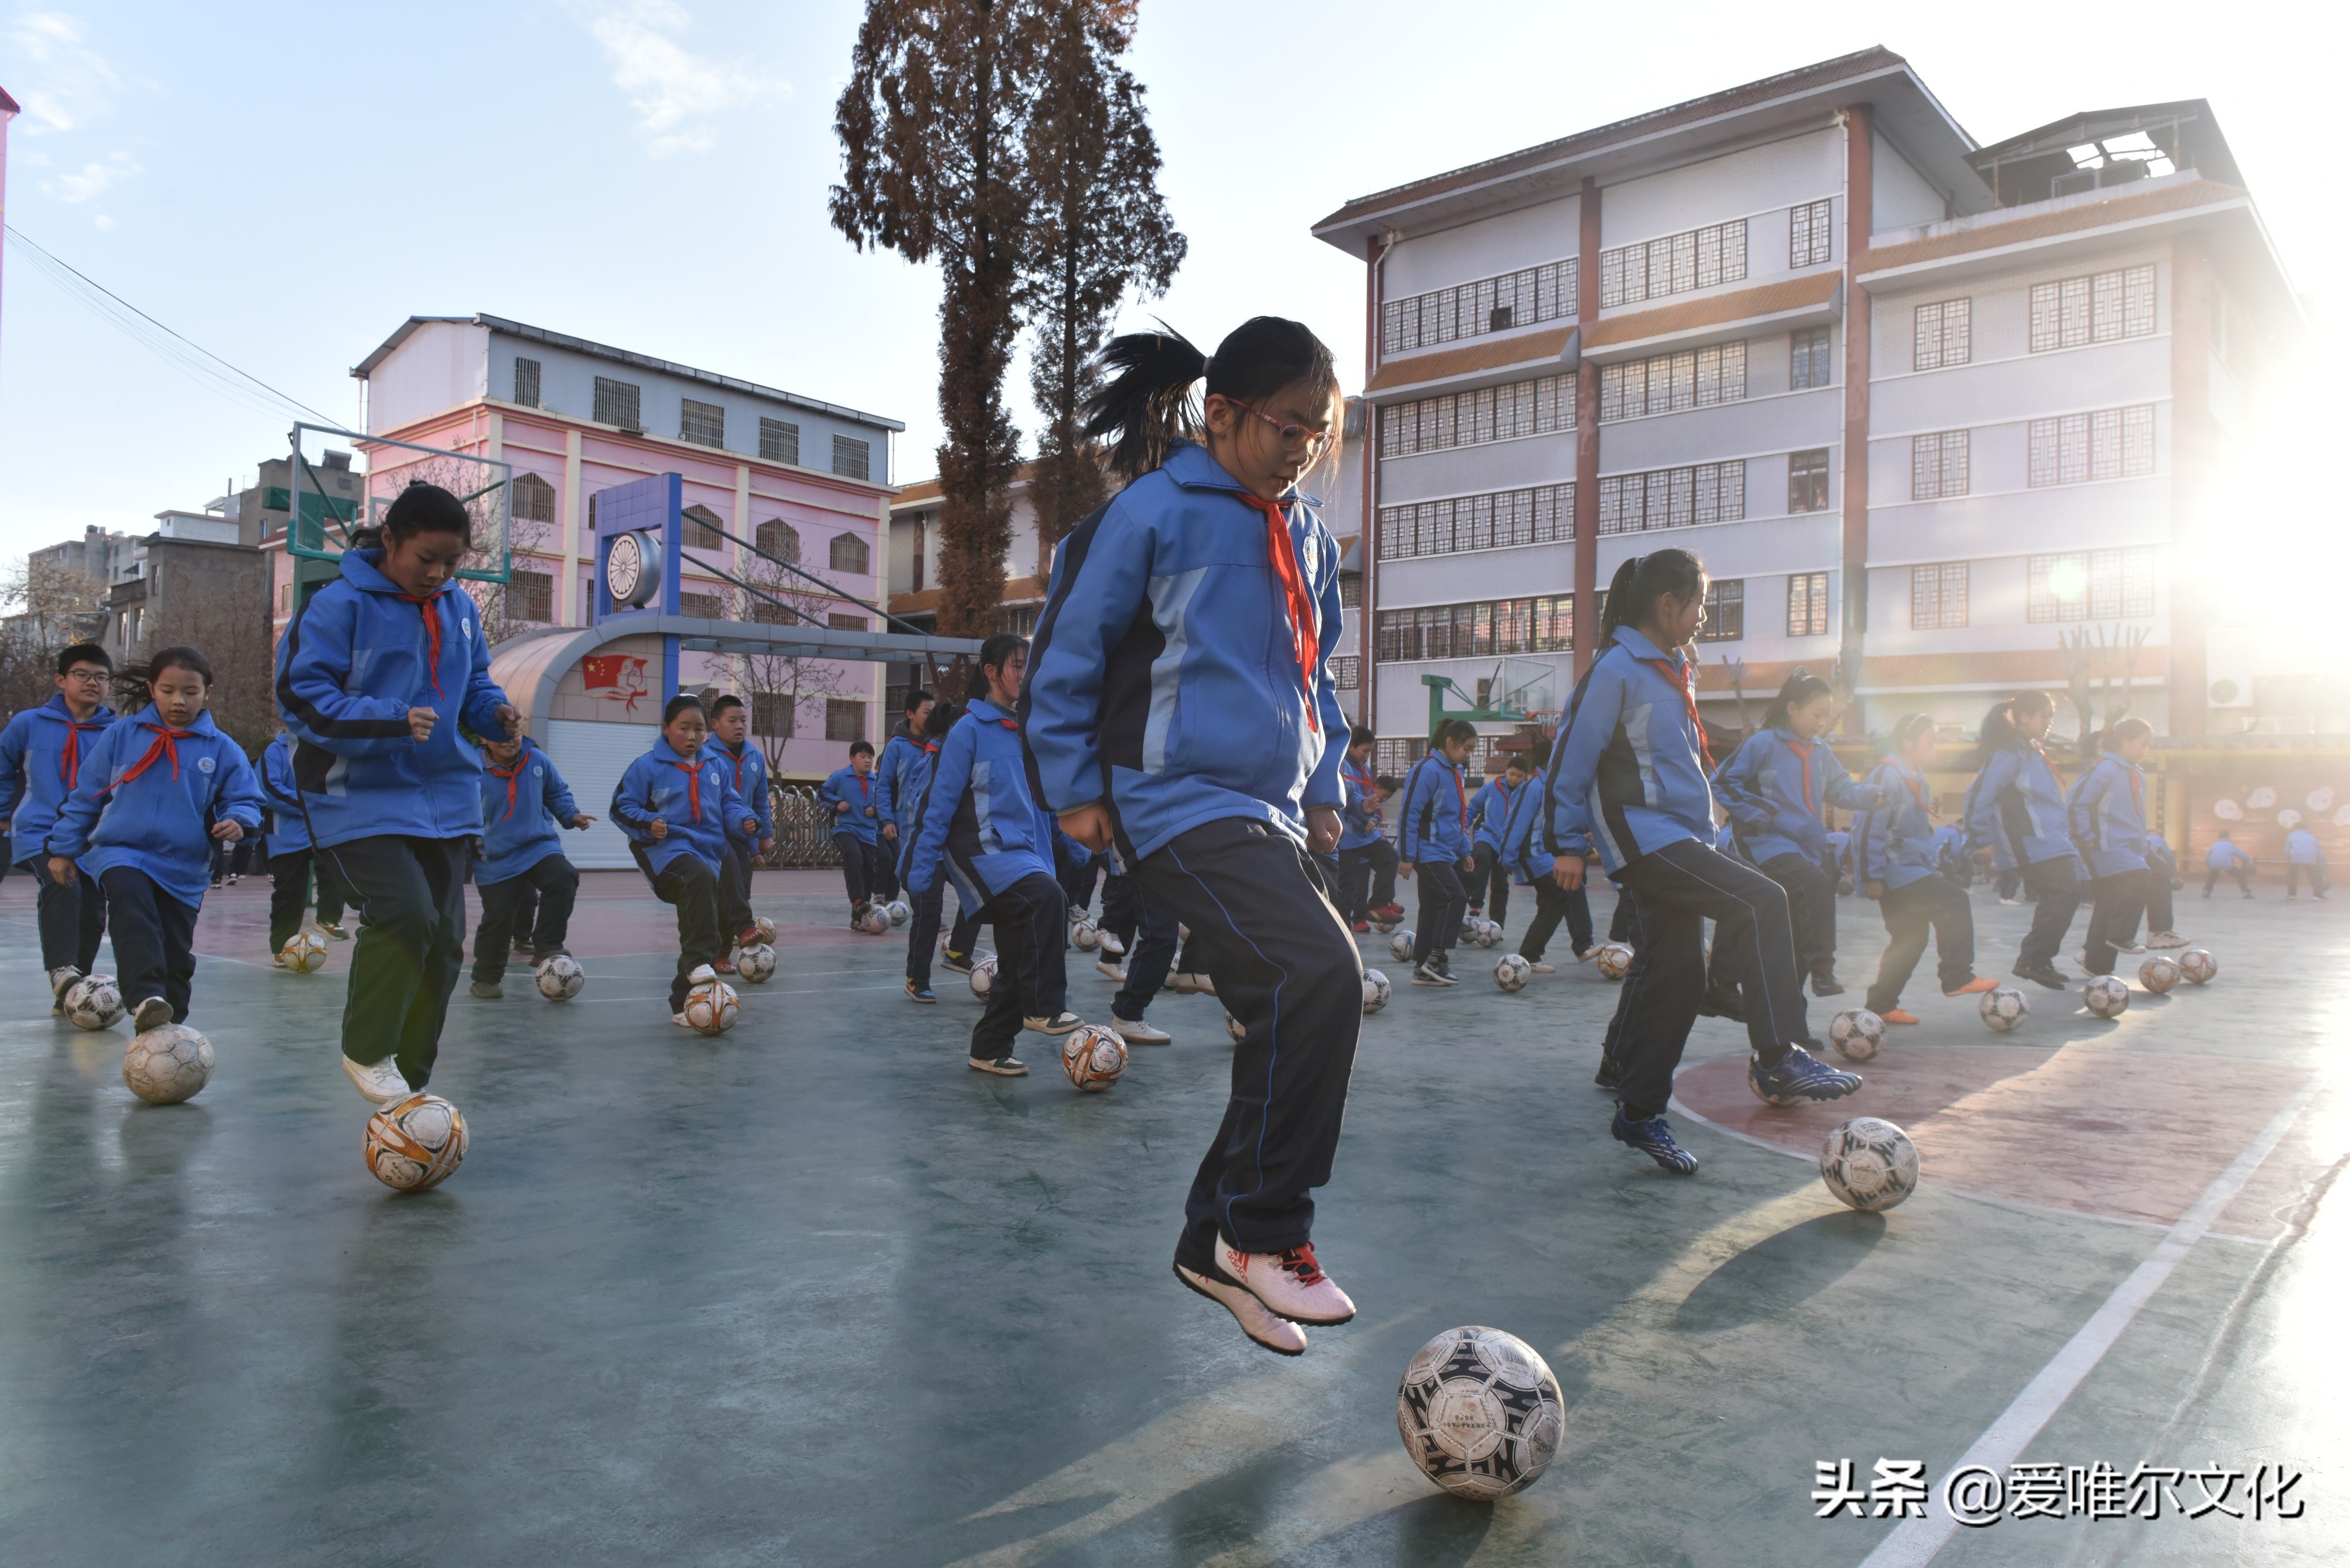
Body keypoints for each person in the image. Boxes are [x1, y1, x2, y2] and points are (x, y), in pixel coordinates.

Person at [1025, 317, 1361, 1359]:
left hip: (1262, 806)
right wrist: (1075, 785)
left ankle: (1212, 1237)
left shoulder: (1305, 533)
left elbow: (1316, 672)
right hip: (1170, 795)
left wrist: (1324, 781)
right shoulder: (1152, 512)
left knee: (1289, 1000)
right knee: (1317, 977)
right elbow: (1067, 648)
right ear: (1220, 414)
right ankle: (1264, 1230)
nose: (1303, 446)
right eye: (1286, 426)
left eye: (1319, 430)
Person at [1546, 549, 1860, 1176]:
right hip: (1646, 840)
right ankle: (1777, 1053)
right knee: (1763, 898)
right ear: (1668, 605)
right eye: (1701, 604)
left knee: (1676, 978)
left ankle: (1638, 1113)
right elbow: (1570, 758)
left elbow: (1681, 761)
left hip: (1683, 837)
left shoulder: (1671, 670)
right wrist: (1566, 843)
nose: (1703, 616)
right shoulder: (1616, 670)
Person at [276, 482, 521, 1104]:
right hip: (355, 793)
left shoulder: (460, 609)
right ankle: (366, 1049)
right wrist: (390, 721)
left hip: (445, 798)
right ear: (390, 540)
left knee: (444, 941)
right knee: (406, 914)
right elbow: (301, 697)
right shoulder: (336, 606)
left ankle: (409, 1087)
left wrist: (496, 716)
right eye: (426, 558)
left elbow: (475, 686)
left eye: (452, 562)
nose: (437, 573)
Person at [44, 646, 263, 1031]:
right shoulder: (121, 736)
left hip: (184, 866)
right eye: (168, 690)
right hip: (120, 852)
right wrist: (63, 850)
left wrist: (238, 821)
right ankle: (143, 994)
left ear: (207, 692)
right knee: (132, 910)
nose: (179, 701)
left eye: (190, 692)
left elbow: (245, 798)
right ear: (152, 689)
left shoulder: (221, 749)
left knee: (176, 954)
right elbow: (85, 795)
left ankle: (166, 1029)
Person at [905, 633, 1080, 1067]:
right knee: (1046, 900)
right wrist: (921, 866)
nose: (1026, 674)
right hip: (982, 854)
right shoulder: (967, 731)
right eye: (1017, 665)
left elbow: (1042, 802)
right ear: (990, 673)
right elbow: (939, 803)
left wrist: (1073, 846)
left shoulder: (1027, 733)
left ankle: (989, 1049)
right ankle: (1043, 1005)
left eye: (1029, 665)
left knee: (1021, 952)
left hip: (1025, 856)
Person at [1711, 672, 1883, 997]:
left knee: (1798, 931)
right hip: (1765, 844)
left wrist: (1868, 794)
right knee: (1815, 886)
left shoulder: (1820, 750)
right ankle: (1824, 969)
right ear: (1792, 708)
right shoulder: (1763, 744)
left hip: (1806, 850)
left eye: (1825, 716)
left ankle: (1794, 1021)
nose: (1821, 723)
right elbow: (1722, 783)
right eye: (1816, 714)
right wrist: (1765, 815)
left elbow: (1840, 788)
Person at [611, 695, 764, 1025]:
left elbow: (730, 805)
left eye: (699, 729)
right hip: (664, 851)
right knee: (698, 879)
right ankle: (698, 962)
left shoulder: (715, 766)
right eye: (684, 728)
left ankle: (683, 1004)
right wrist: (649, 824)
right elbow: (621, 808)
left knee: (708, 912)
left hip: (707, 850)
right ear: (666, 729)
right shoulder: (646, 766)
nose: (693, 736)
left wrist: (744, 820)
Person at [1852, 713, 1995, 1022]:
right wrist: (1871, 876)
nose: (1937, 747)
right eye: (1932, 741)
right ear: (1908, 742)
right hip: (1894, 873)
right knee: (1955, 901)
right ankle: (1957, 975)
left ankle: (1881, 1005)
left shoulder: (1918, 781)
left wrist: (1930, 868)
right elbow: (1866, 828)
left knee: (1910, 939)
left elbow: (1918, 835)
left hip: (1912, 871)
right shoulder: (1885, 776)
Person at [0, 642, 118, 1005]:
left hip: (93, 837)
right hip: (40, 830)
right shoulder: (28, 723)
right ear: (60, 680)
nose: (92, 683)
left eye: (101, 677)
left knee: (93, 913)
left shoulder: (118, 731)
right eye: (82, 675)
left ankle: (73, 995)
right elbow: (3, 769)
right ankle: (61, 970)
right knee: (62, 884)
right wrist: (4, 816)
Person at [1964, 691, 2081, 990]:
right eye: (2046, 716)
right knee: (2065, 891)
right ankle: (2034, 958)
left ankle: (2037, 959)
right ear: (2025, 717)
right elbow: (1979, 796)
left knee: (2066, 892)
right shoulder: (2008, 754)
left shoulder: (2031, 752)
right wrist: (1981, 839)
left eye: (2052, 717)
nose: (2049, 723)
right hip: (2030, 843)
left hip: (2050, 841)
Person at [468, 731, 594, 998]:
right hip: (495, 857)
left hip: (537, 846)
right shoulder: (470, 767)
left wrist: (571, 815)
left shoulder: (536, 759)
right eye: (498, 734)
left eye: (513, 733)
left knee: (563, 876)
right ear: (484, 736)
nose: (508, 740)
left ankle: (548, 945)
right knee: (499, 918)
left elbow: (556, 791)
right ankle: (486, 978)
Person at [895, 698, 983, 1000]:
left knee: (981, 895)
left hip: (951, 850)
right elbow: (920, 814)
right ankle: (917, 978)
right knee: (928, 913)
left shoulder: (960, 760)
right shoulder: (931, 761)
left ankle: (958, 951)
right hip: (925, 851)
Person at [2067, 718, 2157, 976]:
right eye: (2143, 744)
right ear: (2125, 742)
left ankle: (2097, 964)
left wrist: (2141, 844)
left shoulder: (2134, 772)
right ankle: (2123, 935)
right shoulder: (2104, 769)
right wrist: (2085, 836)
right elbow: (2076, 804)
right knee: (2141, 875)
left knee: (2110, 898)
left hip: (2126, 846)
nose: (2146, 750)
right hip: (2101, 845)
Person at [1398, 719, 1479, 986]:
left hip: (1445, 852)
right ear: (1450, 743)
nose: (1468, 754)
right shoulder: (1427, 770)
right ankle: (1437, 959)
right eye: (1466, 748)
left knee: (1432, 907)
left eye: (1471, 750)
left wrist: (1465, 850)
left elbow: (1456, 817)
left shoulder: (1456, 772)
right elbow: (1410, 812)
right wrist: (1407, 857)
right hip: (1427, 852)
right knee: (1455, 897)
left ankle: (1422, 969)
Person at [260, 725, 349, 958]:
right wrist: (311, 804)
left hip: (322, 830)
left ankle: (328, 918)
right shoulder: (274, 752)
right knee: (290, 893)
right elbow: (269, 790)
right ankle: (281, 948)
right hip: (286, 835)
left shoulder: (326, 750)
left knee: (336, 869)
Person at [1500, 756, 1590, 970]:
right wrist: (1508, 858)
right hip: (1533, 855)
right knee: (1571, 887)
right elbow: (1516, 823)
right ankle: (1584, 945)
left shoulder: (1552, 787)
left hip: (1546, 856)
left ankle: (1530, 955)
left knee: (1552, 905)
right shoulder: (1533, 788)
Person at [707, 694, 777, 926]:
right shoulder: (705, 755)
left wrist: (764, 835)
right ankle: (730, 928)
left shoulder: (755, 756)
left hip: (744, 831)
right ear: (715, 724)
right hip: (714, 832)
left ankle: (734, 926)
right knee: (725, 880)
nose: (739, 726)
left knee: (743, 880)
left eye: (743, 721)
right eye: (732, 721)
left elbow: (760, 800)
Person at [871, 686, 933, 906]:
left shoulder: (935, 745)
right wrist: (887, 820)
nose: (930, 717)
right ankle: (920, 911)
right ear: (910, 714)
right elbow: (884, 785)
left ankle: (925, 911)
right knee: (910, 866)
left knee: (932, 868)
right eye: (926, 712)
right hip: (904, 823)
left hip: (931, 821)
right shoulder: (896, 746)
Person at [1335, 732, 1401, 930]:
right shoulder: (1342, 767)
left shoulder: (1364, 769)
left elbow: (1358, 797)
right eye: (1365, 751)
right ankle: (1345, 931)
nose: (1366, 756)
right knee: (1347, 889)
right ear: (1351, 747)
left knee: (1390, 857)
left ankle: (1379, 904)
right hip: (1348, 837)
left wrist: (1369, 810)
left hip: (1366, 835)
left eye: (1369, 752)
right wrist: (1363, 819)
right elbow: (1343, 802)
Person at [820, 740, 886, 927]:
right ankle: (857, 900)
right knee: (853, 855)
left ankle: (858, 919)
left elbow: (884, 803)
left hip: (869, 833)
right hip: (845, 829)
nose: (867, 761)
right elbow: (822, 793)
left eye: (870, 757)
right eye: (863, 756)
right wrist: (837, 803)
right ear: (852, 758)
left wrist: (875, 809)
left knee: (868, 872)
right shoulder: (840, 777)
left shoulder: (877, 781)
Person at [1466, 756, 1525, 929]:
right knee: (1481, 857)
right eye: (1512, 774)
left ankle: (1497, 925)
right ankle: (1476, 901)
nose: (1514, 778)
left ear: (1525, 776)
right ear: (1506, 771)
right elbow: (1473, 807)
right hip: (1486, 834)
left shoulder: (1526, 793)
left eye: (1519, 776)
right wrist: (1463, 826)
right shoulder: (1492, 787)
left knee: (1501, 884)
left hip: (1506, 844)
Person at [2138, 833, 2188, 947]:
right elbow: (2169, 854)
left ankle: (2102, 941)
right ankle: (2159, 932)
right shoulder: (2159, 839)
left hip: (2129, 847)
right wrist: (2174, 865)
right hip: (2132, 846)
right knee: (2162, 873)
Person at [2202, 830, 2253, 898]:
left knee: (2212, 877)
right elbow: (2241, 854)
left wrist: (2209, 864)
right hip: (2227, 864)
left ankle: (2206, 891)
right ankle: (2246, 892)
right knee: (2241, 876)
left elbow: (2207, 857)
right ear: (2228, 837)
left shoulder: (2214, 845)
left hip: (2214, 863)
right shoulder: (2230, 845)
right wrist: (2248, 861)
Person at [2285, 823, 2329, 900]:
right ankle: (2317, 895)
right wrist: (2323, 865)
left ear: (2296, 828)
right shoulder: (2312, 837)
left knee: (2293, 876)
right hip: (2310, 857)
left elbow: (2287, 850)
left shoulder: (2291, 836)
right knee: (2315, 877)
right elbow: (2319, 853)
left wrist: (2289, 859)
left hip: (2294, 857)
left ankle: (2291, 895)